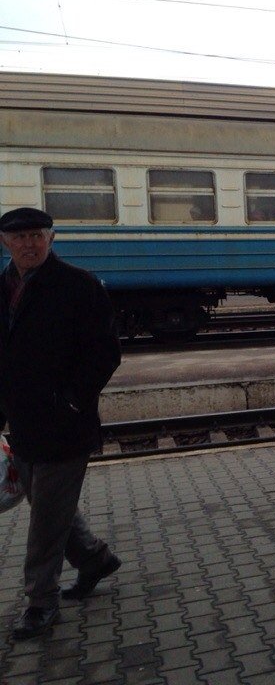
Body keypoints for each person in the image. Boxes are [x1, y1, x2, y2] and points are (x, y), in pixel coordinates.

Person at [0, 207, 122, 641]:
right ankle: (95, 559)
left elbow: (105, 353)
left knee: (45, 523)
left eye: (36, 236)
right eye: (18, 238)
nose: (28, 244)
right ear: (5, 243)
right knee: (48, 508)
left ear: (51, 238)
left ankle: (40, 603)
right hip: (22, 424)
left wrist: (71, 401)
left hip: (65, 426)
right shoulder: (2, 288)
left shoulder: (77, 285)